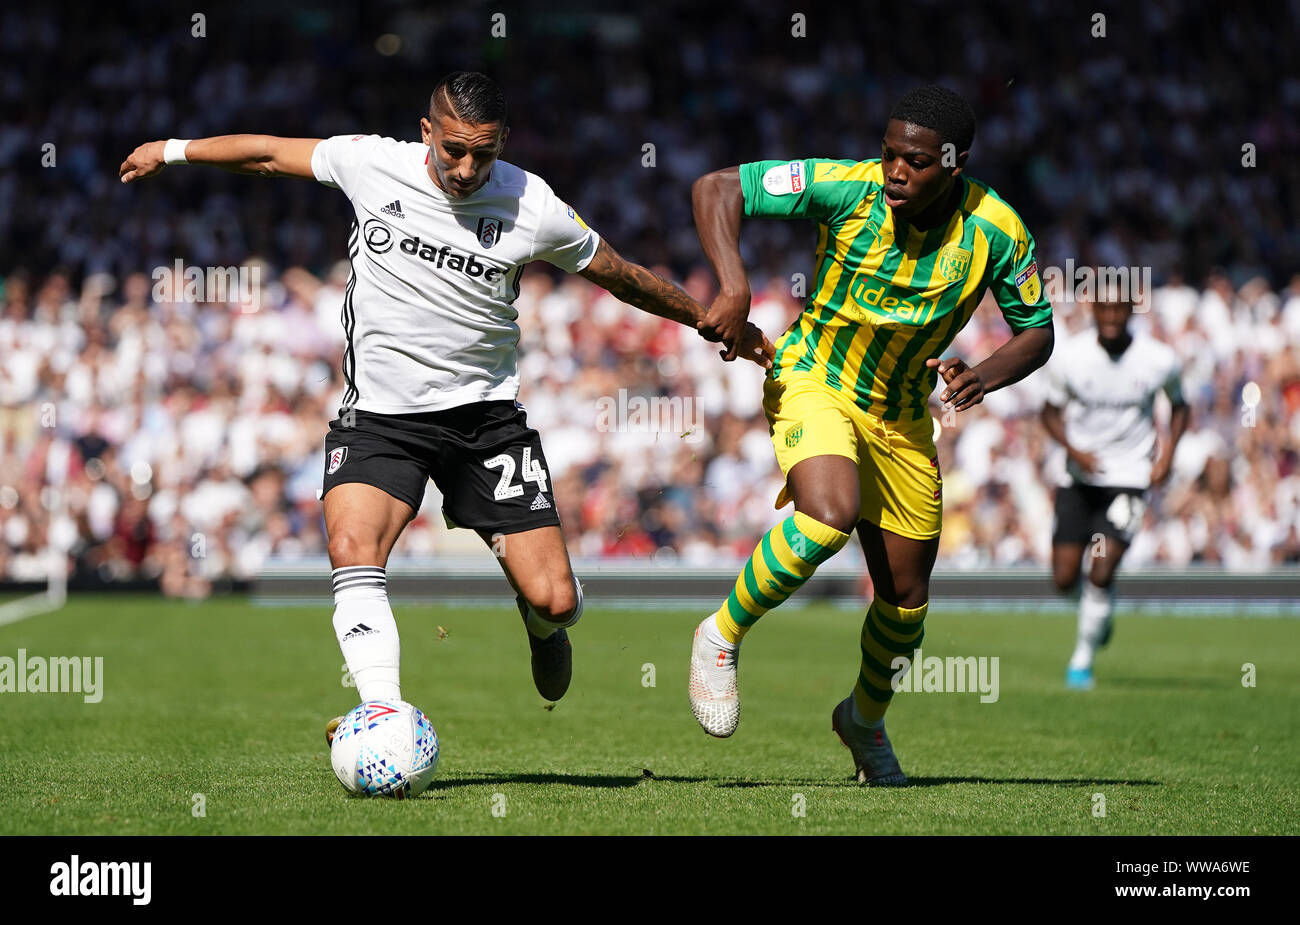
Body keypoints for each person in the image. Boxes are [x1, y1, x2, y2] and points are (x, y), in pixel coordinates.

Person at [119, 71, 772, 742]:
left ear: (503, 144)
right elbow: (265, 151)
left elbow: (619, 275)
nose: (465, 168)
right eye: (452, 149)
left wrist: (711, 321)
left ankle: (538, 620)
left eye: (481, 154)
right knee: (351, 545)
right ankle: (380, 713)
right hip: (380, 419)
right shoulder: (371, 163)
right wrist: (169, 149)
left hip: (485, 425)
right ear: (426, 131)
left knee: (558, 598)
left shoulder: (532, 203)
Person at [689, 85, 1054, 784]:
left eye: (913, 162)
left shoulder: (998, 230)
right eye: (889, 154)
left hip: (904, 416)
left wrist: (986, 373)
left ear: (955, 163)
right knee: (827, 515)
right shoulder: (844, 187)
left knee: (906, 603)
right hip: (815, 377)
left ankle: (861, 718)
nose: (894, 171)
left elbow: (1037, 330)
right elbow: (717, 188)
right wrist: (733, 285)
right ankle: (720, 634)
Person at [1041, 294, 1188, 689]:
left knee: (1101, 568)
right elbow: (1049, 413)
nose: (1109, 316)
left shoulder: (1158, 359)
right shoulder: (1071, 357)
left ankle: (1082, 660)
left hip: (1129, 478)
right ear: (1093, 312)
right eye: (1102, 309)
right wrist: (1074, 450)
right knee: (1063, 579)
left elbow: (1180, 406)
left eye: (1117, 309)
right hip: (1079, 479)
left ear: (1129, 311)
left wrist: (1167, 456)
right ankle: (1098, 613)